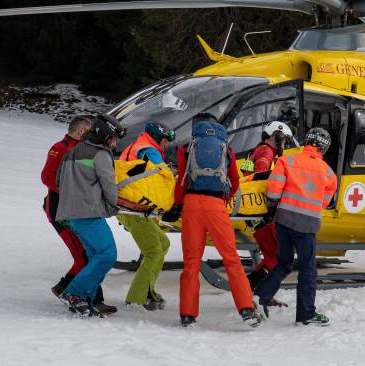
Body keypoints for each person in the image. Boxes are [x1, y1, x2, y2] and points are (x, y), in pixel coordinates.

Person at [161, 112, 264, 328]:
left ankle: (188, 314)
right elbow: (234, 180)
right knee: (231, 259)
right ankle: (246, 308)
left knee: (191, 262)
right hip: (216, 205)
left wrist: (177, 205)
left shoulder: (187, 148)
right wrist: (222, 198)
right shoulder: (226, 148)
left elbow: (182, 181)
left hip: (191, 205)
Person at [254, 127, 338, 326]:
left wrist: (277, 206)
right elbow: (324, 202)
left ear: (307, 141)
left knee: (284, 263)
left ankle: (260, 296)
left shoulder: (287, 161)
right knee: (308, 269)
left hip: (283, 221)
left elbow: (273, 192)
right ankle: (306, 314)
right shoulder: (329, 173)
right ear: (324, 148)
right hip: (307, 226)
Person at [41, 115, 114, 315]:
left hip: (78, 208)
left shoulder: (85, 149)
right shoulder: (61, 148)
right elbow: (47, 177)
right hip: (61, 210)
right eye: (90, 131)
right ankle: (74, 293)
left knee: (90, 253)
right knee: (83, 255)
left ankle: (79, 293)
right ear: (81, 131)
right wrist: (74, 193)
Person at [55, 115, 125, 316]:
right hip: (89, 212)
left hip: (71, 214)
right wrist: (112, 206)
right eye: (113, 139)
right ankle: (75, 293)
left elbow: (59, 180)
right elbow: (108, 185)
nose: (115, 144)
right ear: (105, 135)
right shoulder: (100, 154)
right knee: (108, 254)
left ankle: (88, 299)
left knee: (95, 256)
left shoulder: (72, 152)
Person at [118, 121, 175, 310]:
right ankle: (137, 297)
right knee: (154, 251)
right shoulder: (149, 150)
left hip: (131, 206)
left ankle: (147, 290)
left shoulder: (137, 145)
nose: (166, 145)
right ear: (158, 137)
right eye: (165, 141)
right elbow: (163, 175)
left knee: (163, 243)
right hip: (134, 209)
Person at [243, 121, 293, 293]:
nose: (284, 145)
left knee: (273, 256)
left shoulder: (256, 150)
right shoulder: (266, 152)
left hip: (255, 213)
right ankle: (252, 288)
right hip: (264, 214)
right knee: (280, 257)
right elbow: (262, 179)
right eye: (285, 140)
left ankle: (254, 290)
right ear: (276, 136)